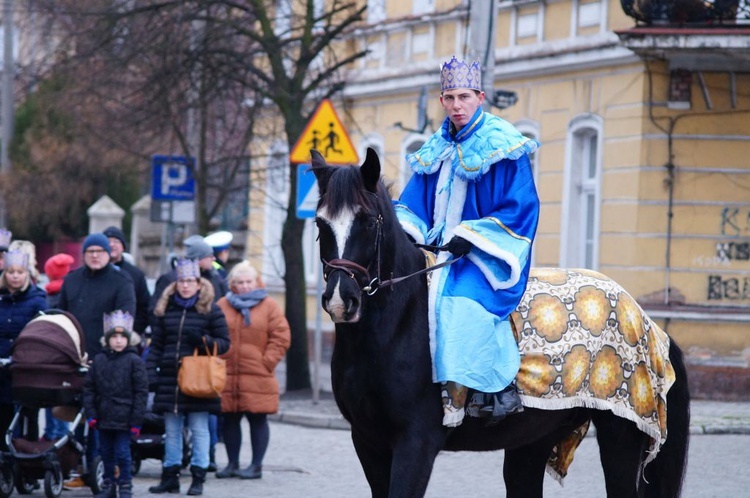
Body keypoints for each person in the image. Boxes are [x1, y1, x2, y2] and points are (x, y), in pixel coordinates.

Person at [393, 56, 540, 427]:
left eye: (464, 97)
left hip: (483, 258)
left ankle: (478, 393)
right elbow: (411, 203)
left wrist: (470, 236)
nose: (457, 105)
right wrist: (408, 234)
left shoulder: (504, 144)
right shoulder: (436, 145)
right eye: (449, 98)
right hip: (435, 251)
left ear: (480, 96)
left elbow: (521, 208)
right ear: (441, 101)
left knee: (459, 306)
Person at [146, 258, 230, 495]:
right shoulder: (166, 308)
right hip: (171, 378)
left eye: (190, 281)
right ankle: (170, 475)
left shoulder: (211, 309)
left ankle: (198, 477)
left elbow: (225, 344)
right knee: (171, 430)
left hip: (198, 378)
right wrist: (150, 372)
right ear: (175, 283)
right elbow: (157, 345)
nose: (185, 285)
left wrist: (204, 341)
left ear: (199, 283)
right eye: (181, 281)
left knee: (199, 428)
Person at [215, 261, 290, 480]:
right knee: (230, 419)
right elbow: (212, 331)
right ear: (233, 285)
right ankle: (232, 463)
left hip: (258, 374)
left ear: (256, 282)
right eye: (240, 282)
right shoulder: (222, 304)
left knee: (257, 419)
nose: (245, 286)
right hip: (227, 373)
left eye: (248, 282)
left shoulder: (269, 305)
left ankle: (256, 466)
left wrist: (267, 362)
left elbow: (281, 336)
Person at [83, 310, 147, 498]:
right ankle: (108, 484)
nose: (118, 340)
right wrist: (91, 414)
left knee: (122, 453)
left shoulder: (134, 361)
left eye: (122, 337)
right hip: (104, 417)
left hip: (125, 419)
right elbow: (89, 389)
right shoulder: (99, 360)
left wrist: (136, 420)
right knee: (106, 453)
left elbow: (141, 392)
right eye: (114, 337)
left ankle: (125, 485)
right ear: (107, 339)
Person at [58, 232, 136, 357]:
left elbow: (125, 316)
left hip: (107, 354)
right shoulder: (71, 280)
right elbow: (61, 313)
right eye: (90, 251)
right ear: (84, 254)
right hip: (73, 351)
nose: (95, 255)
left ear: (108, 253)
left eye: (100, 251)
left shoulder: (121, 280)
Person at [0, 250, 47, 448]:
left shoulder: (37, 299)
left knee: (26, 416)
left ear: (27, 274)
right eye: (11, 272)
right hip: (1, 367)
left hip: (25, 368)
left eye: (20, 272)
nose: (16, 276)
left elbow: (41, 331)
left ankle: (24, 458)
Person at [42, 253, 76, 441]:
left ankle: (50, 435)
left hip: (48, 353)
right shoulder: (70, 294)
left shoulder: (48, 295)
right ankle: (62, 437)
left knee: (49, 396)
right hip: (66, 353)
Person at [103, 226, 151, 341]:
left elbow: (145, 307)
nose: (112, 245)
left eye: (116, 241)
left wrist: (134, 331)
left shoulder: (136, 274)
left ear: (123, 246)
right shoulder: (94, 273)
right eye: (108, 241)